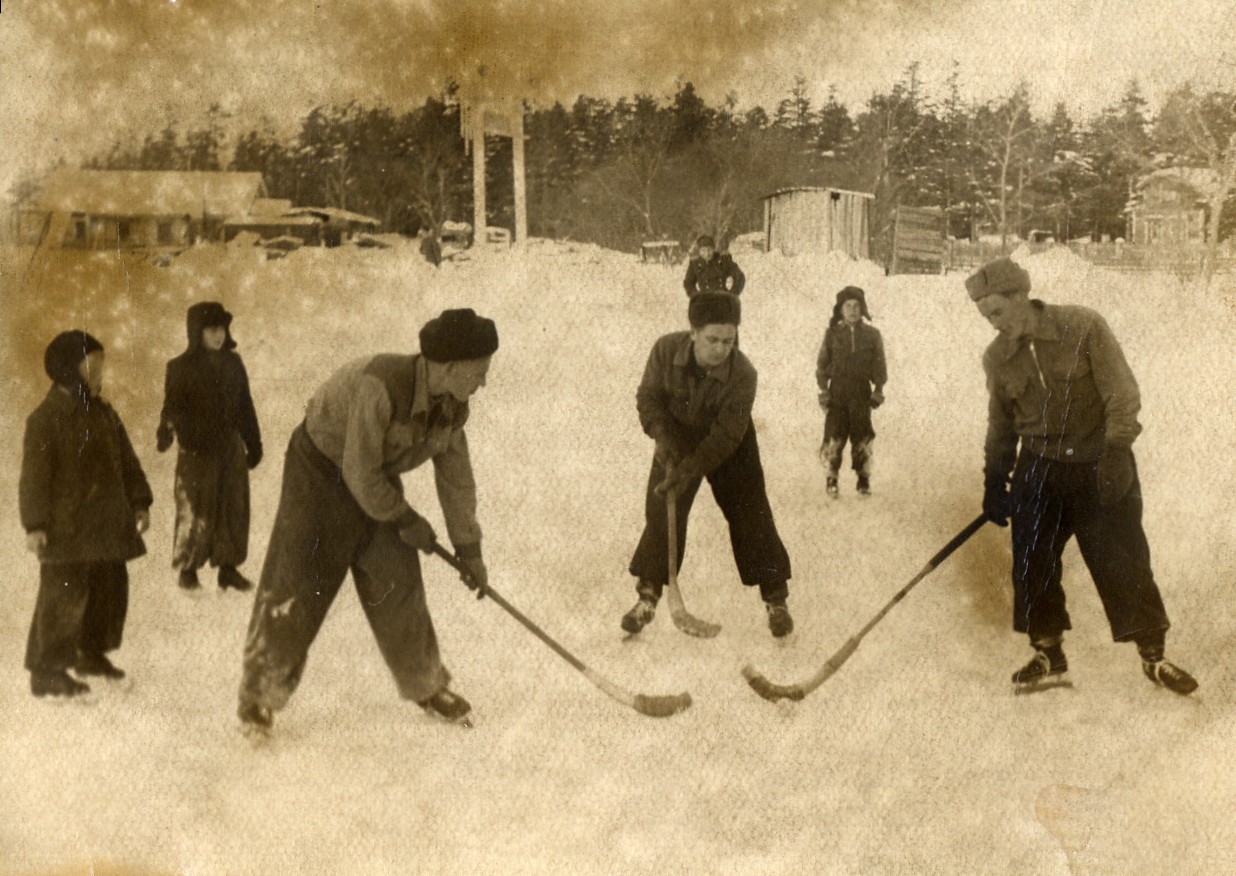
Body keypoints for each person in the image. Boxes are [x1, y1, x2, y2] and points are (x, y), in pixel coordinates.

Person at [236, 308, 498, 734]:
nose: (484, 381)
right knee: (299, 582)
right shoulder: (381, 386)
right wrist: (404, 517)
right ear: (450, 367)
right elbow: (358, 472)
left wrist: (470, 550)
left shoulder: (452, 404)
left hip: (374, 477)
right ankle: (258, 697)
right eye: (479, 371)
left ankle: (426, 685)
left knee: (397, 577)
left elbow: (457, 478)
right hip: (320, 471)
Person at [969, 256, 1196, 695]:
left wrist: (1116, 451)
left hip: (1099, 462)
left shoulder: (1083, 326)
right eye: (985, 317)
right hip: (1039, 467)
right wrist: (995, 484)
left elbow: (1122, 392)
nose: (993, 324)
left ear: (1021, 297)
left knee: (1123, 560)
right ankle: (1048, 654)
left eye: (997, 312)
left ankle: (1154, 657)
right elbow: (1001, 425)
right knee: (1033, 563)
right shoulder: (997, 357)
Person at [623, 291, 794, 638]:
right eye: (713, 339)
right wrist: (662, 437)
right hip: (676, 434)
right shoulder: (665, 350)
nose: (720, 348)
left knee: (750, 512)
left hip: (730, 444)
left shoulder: (743, 374)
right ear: (694, 333)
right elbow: (648, 397)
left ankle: (776, 599)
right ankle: (648, 597)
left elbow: (726, 435)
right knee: (661, 510)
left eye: (729, 340)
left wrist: (689, 469)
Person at [20, 331, 152, 697]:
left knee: (109, 592)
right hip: (67, 532)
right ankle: (47, 670)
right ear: (68, 370)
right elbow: (33, 478)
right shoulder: (45, 419)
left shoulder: (105, 413)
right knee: (63, 597)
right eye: (91, 367)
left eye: (101, 366)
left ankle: (89, 653)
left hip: (108, 527)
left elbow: (127, 462)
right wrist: (35, 525)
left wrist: (140, 500)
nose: (99, 374)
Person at [156, 302, 263, 592]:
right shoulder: (179, 367)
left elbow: (245, 405)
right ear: (196, 332)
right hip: (197, 451)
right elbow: (172, 407)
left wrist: (253, 443)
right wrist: (165, 432)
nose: (219, 335)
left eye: (222, 328)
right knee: (196, 511)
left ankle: (228, 569)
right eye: (212, 329)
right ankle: (188, 571)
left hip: (229, 448)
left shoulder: (233, 363)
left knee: (233, 508)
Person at [816, 286, 887, 498]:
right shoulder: (832, 334)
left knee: (862, 436)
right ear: (841, 310)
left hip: (861, 393)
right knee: (834, 436)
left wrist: (879, 389)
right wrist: (823, 390)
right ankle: (832, 478)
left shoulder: (873, 335)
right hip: (837, 392)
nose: (853, 310)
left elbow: (879, 365)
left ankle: (863, 480)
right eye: (848, 306)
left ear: (862, 308)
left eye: (857, 306)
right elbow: (822, 365)